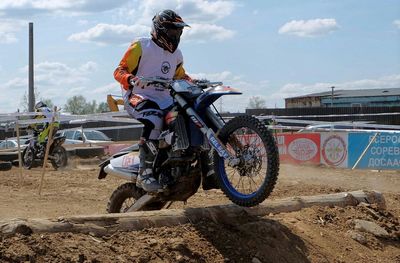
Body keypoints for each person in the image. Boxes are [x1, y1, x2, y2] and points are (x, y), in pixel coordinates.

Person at [114, 9, 192, 192]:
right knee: (154, 118)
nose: (176, 35)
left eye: (179, 32)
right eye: (173, 31)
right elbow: (119, 70)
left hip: (165, 99)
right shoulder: (141, 46)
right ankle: (145, 173)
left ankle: (169, 165)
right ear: (161, 29)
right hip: (139, 95)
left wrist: (193, 81)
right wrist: (130, 79)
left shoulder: (177, 55)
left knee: (186, 117)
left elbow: (180, 75)